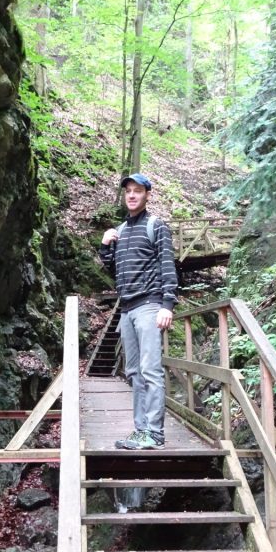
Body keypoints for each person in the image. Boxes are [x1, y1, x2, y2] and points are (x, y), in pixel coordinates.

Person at [99, 173, 177, 450]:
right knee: (133, 371)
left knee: (150, 370)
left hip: (149, 306)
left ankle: (154, 433)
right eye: (128, 191)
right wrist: (105, 246)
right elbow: (115, 271)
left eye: (137, 191)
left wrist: (167, 304)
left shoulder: (156, 226)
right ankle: (141, 429)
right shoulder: (121, 230)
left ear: (147, 195)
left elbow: (168, 265)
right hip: (127, 309)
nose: (132, 195)